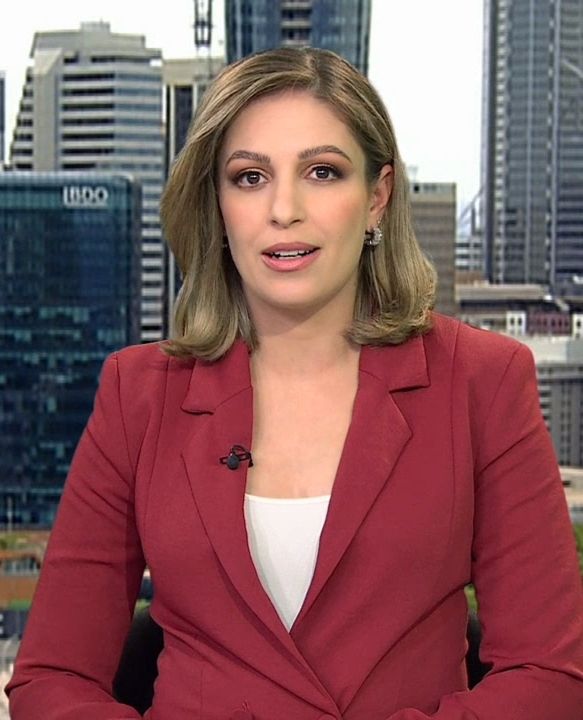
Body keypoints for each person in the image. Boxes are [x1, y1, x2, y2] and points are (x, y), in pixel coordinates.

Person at [6, 46, 583, 720]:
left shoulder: (482, 382)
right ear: (217, 205)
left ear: (377, 198)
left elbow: (550, 676)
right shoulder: (138, 394)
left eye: (321, 172)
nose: (284, 208)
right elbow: (51, 680)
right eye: (250, 177)